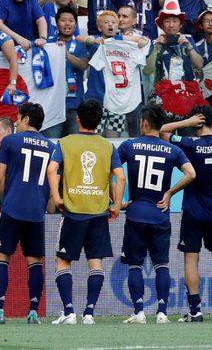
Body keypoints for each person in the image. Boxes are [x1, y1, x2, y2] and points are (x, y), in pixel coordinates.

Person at [46, 99, 125, 325]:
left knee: (63, 261)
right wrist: (117, 204)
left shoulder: (65, 142)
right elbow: (120, 177)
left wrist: (56, 197)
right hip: (98, 213)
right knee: (96, 262)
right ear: (100, 122)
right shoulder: (108, 146)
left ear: (78, 119)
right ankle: (89, 312)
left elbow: (52, 169)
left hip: (72, 212)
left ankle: (69, 311)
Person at [117, 105, 195, 324]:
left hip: (135, 214)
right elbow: (191, 173)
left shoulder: (129, 146)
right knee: (161, 265)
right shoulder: (173, 150)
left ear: (144, 123)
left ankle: (139, 312)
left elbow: (110, 168)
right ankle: (162, 312)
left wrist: (117, 202)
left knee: (135, 265)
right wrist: (170, 192)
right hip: (160, 214)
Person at [161, 105, 212, 322]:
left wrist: (186, 123)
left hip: (193, 212)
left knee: (191, 261)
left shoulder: (189, 144)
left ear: (198, 122)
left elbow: (162, 130)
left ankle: (196, 310)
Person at [0, 103, 54, 325]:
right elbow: (54, 181)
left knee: (1, 258)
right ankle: (33, 311)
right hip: (36, 210)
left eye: (18, 118)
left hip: (12, 208)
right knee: (35, 262)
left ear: (26, 119)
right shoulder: (52, 147)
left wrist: (7, 201)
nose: (15, 122)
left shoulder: (10, 141)